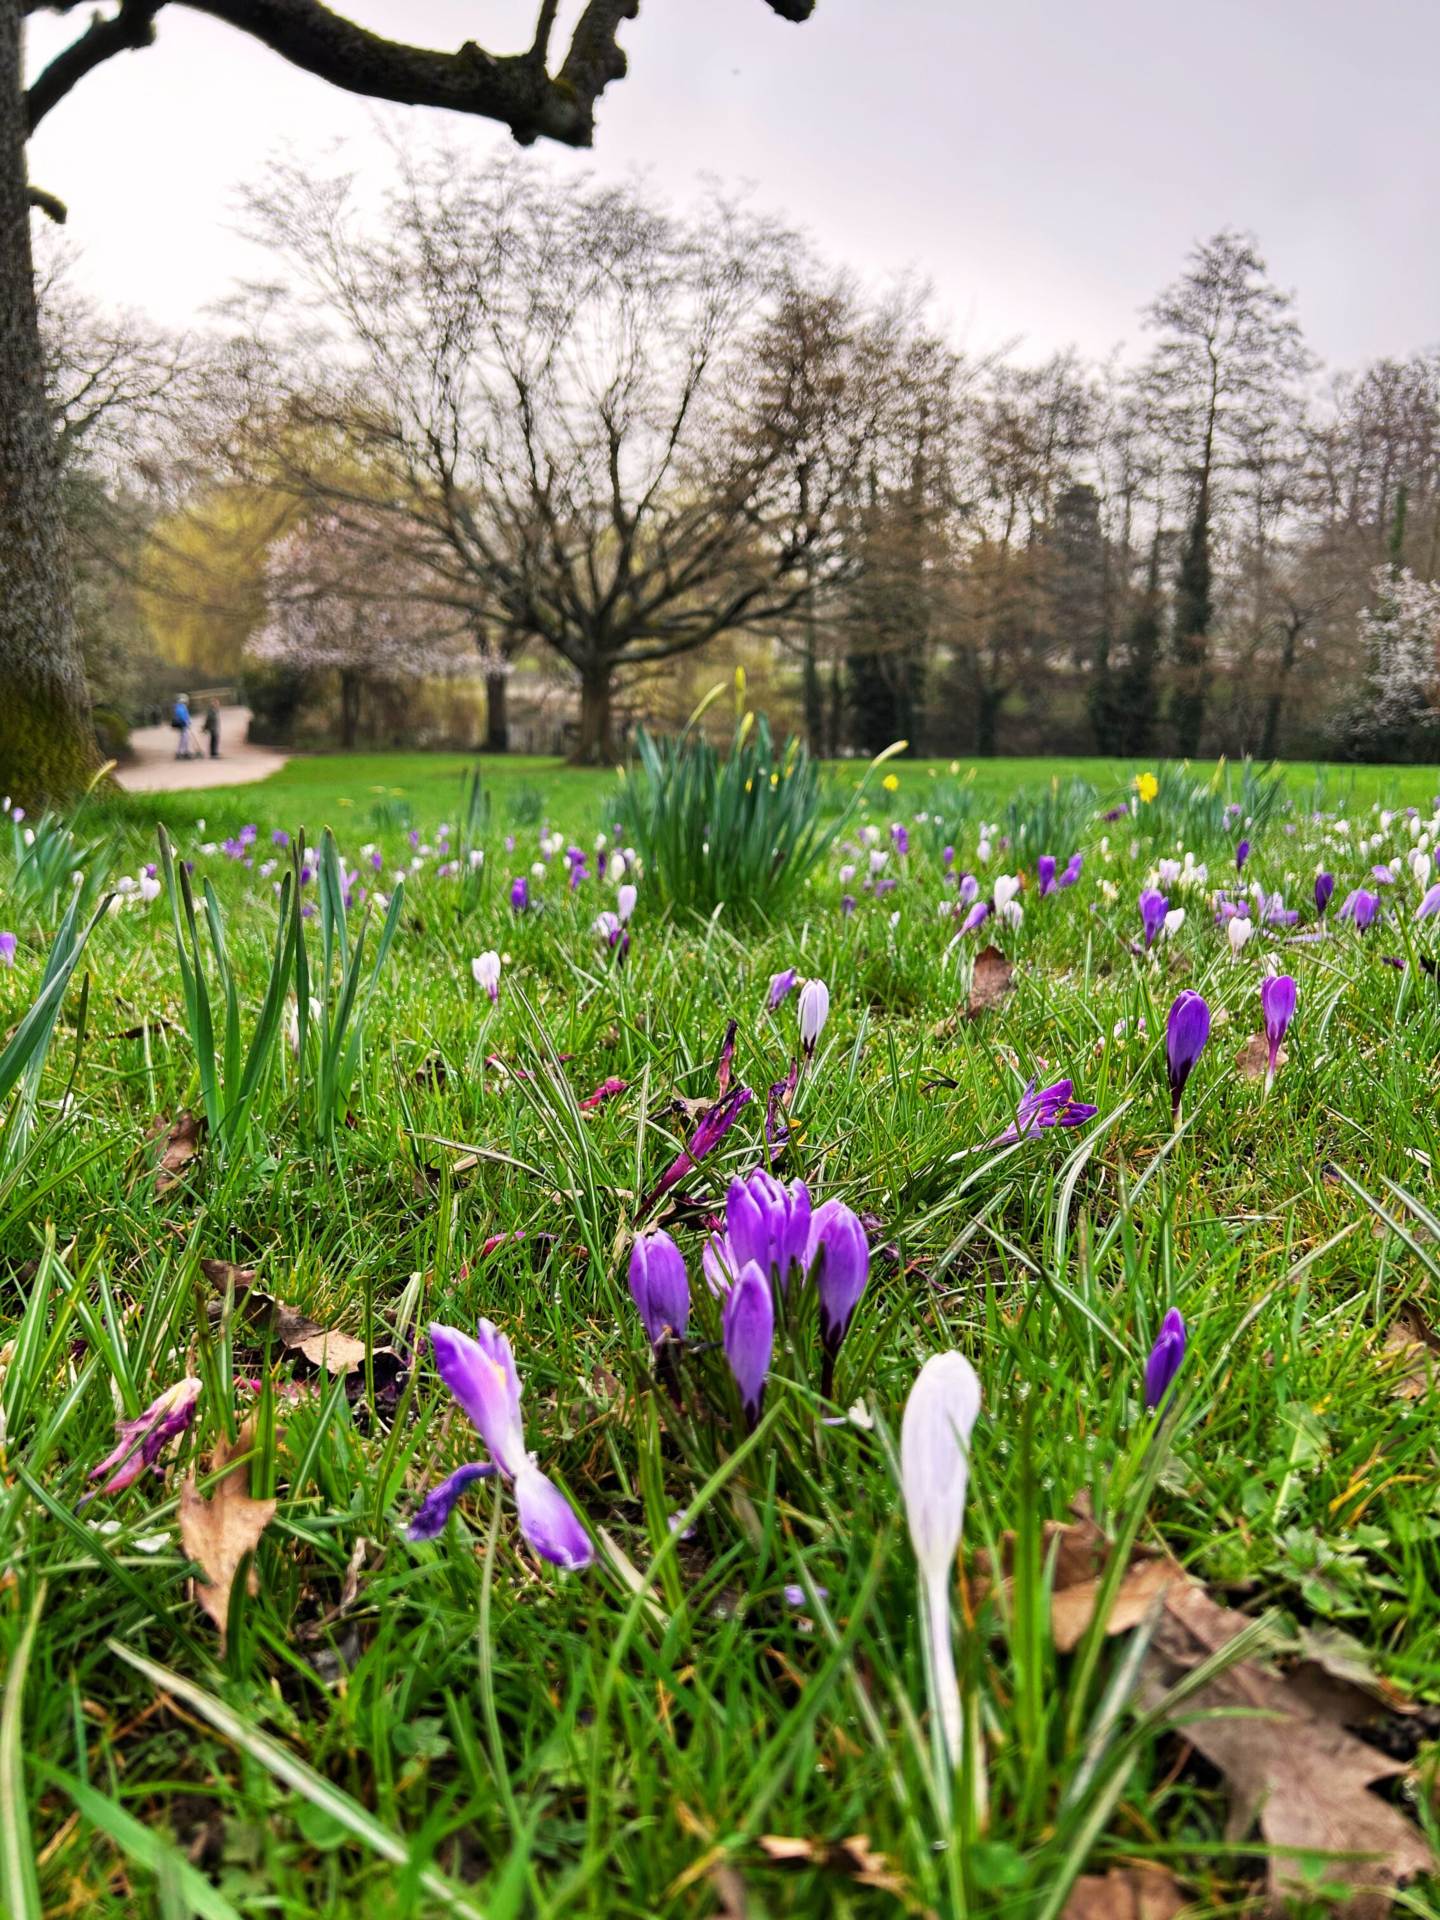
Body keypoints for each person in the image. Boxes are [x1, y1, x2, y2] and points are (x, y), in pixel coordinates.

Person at [172, 693, 193, 759]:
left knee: (185, 738)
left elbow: (185, 715)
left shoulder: (180, 707)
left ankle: (184, 751)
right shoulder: (181, 707)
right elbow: (182, 716)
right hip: (182, 725)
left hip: (183, 725)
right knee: (184, 738)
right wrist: (186, 722)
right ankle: (181, 752)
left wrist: (188, 722)